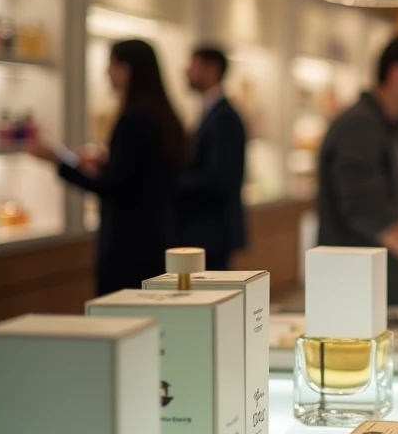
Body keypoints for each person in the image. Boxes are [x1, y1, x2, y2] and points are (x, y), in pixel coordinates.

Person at [29, 39, 185, 296]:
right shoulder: (162, 116)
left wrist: (58, 160)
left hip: (128, 247)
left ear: (127, 69)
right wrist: (109, 162)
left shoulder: (133, 119)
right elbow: (145, 175)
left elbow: (114, 188)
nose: (107, 73)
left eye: (111, 65)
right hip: (159, 238)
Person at [317, 36, 398, 306]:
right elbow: (369, 211)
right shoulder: (360, 127)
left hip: (375, 283)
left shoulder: (390, 127)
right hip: (353, 292)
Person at [177, 46, 247, 271]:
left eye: (193, 65)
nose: (187, 72)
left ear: (212, 70)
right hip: (207, 227)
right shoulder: (211, 112)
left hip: (212, 229)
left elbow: (218, 177)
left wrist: (171, 183)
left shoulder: (224, 117)